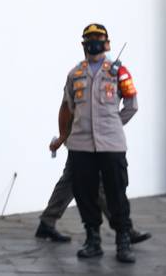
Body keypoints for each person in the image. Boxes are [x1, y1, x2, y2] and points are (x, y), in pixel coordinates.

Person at [48, 23, 138, 263]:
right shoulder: (74, 74)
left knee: (116, 194)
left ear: (107, 42)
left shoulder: (119, 72)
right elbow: (68, 107)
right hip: (81, 147)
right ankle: (93, 240)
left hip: (112, 146)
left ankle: (123, 242)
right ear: (83, 44)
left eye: (99, 38)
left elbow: (132, 105)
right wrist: (63, 138)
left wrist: (114, 125)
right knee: (85, 194)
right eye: (89, 38)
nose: (94, 42)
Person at [35, 159, 151, 244]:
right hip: (88, 138)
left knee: (71, 178)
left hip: (83, 138)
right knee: (98, 183)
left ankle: (47, 221)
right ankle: (123, 230)